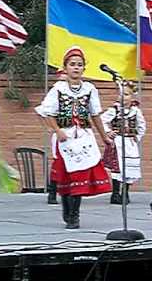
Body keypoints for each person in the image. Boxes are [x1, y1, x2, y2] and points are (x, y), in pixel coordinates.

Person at [35, 46, 111, 229]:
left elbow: (95, 115)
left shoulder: (90, 89)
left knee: (80, 175)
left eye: (79, 65)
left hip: (84, 137)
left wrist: (104, 136)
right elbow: (46, 112)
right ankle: (67, 207)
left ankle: (75, 215)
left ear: (84, 68)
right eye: (72, 64)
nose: (76, 68)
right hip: (65, 138)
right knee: (66, 176)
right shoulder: (58, 89)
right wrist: (57, 130)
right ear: (66, 68)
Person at [101, 81, 146, 204]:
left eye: (126, 94)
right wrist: (108, 132)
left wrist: (137, 137)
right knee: (118, 167)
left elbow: (142, 126)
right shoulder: (114, 110)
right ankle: (115, 194)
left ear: (132, 96)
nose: (122, 97)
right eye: (120, 94)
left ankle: (125, 193)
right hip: (118, 142)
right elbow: (102, 120)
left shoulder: (136, 111)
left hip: (130, 143)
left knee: (129, 167)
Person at [36, 68, 67, 204]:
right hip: (61, 130)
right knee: (59, 162)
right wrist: (51, 127)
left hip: (75, 132)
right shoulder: (57, 89)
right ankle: (52, 192)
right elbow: (43, 110)